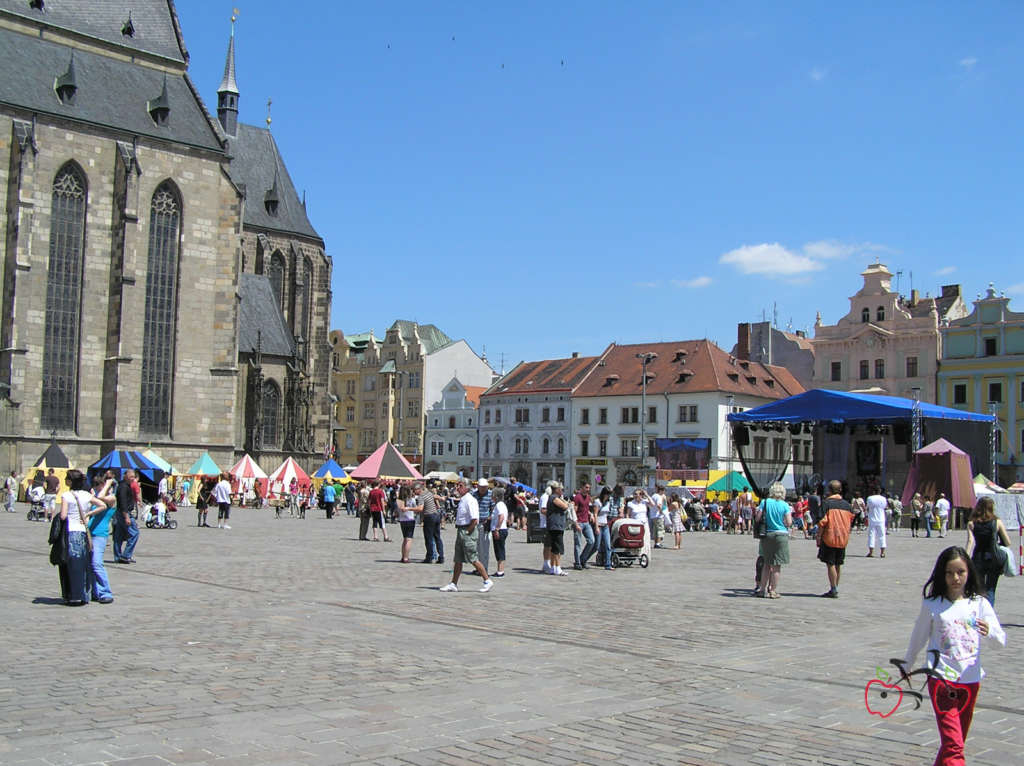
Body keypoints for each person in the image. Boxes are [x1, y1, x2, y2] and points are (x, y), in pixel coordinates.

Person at [902, 546, 1005, 766]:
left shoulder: (979, 604)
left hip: (970, 680)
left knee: (955, 743)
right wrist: (907, 663)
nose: (955, 578)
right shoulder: (933, 605)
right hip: (941, 680)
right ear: (942, 574)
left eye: (960, 572)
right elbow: (918, 636)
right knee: (954, 746)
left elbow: (1000, 641)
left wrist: (990, 632)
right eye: (949, 573)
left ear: (969, 572)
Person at [58, 469, 113, 605]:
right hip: (83, 533)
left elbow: (63, 516)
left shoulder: (66, 495)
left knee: (72, 565)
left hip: (71, 532)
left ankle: (75, 595)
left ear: (70, 481)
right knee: (83, 564)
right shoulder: (86, 495)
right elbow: (102, 505)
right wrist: (88, 514)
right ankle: (85, 594)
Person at [440, 479, 494, 592]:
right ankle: (453, 583)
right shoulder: (463, 499)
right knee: (458, 559)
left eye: (460, 485)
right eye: (457, 485)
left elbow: (475, 519)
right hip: (461, 529)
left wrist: (468, 532)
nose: (457, 487)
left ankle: (487, 580)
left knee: (472, 557)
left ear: (467, 488)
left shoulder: (470, 500)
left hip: (467, 529)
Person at [966, 496, 1013, 605]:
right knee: (991, 588)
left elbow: (970, 541)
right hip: (994, 558)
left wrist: (966, 558)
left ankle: (980, 612)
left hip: (978, 558)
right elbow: (1008, 542)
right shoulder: (997, 522)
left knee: (979, 589)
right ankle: (988, 614)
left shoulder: (971, 523)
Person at [754, 481, 792, 599]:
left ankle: (761, 590)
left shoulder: (765, 502)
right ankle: (773, 590)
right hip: (781, 535)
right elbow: (789, 522)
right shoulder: (785, 505)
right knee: (777, 565)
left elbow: (757, 518)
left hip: (767, 534)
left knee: (766, 563)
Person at [816, 480, 853, 598]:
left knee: (830, 563)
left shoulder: (826, 503)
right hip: (843, 537)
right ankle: (835, 586)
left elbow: (822, 522)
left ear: (829, 490)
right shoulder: (847, 505)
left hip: (830, 536)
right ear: (840, 490)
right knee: (838, 563)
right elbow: (851, 520)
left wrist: (818, 537)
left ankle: (833, 589)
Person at [86, 472, 118, 603]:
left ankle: (106, 592)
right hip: (89, 533)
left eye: (99, 485)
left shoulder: (111, 498)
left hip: (100, 535)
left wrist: (108, 484)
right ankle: (95, 591)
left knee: (96, 563)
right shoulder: (97, 498)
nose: (97, 487)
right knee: (89, 564)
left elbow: (101, 495)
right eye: (95, 485)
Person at [112, 469, 140, 563]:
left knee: (118, 536)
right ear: (125, 476)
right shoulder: (123, 487)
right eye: (130, 477)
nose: (132, 479)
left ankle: (118, 556)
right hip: (124, 513)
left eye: (133, 477)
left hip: (121, 513)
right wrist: (126, 517)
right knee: (135, 533)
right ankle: (126, 555)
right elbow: (123, 503)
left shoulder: (125, 485)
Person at [544, 481, 571, 576]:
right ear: (557, 489)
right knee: (557, 548)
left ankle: (553, 567)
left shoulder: (554, 498)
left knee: (555, 547)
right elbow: (565, 506)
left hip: (555, 525)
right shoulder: (554, 498)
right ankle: (557, 568)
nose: (563, 491)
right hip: (556, 526)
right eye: (561, 489)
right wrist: (565, 502)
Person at [416, 482, 444, 564]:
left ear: (419, 489)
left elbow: (420, 508)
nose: (414, 492)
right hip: (436, 515)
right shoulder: (428, 493)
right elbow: (435, 496)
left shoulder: (421, 496)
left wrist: (408, 509)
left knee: (428, 538)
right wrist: (441, 498)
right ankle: (441, 557)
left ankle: (429, 557)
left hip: (429, 517)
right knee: (437, 537)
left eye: (415, 490)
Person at [572, 482, 595, 569]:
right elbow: (574, 511)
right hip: (579, 522)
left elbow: (586, 509)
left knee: (592, 541)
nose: (588, 489)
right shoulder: (577, 497)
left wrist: (591, 514)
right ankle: (578, 563)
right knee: (578, 544)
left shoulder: (588, 497)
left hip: (586, 522)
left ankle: (583, 559)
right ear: (581, 488)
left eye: (589, 488)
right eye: (586, 487)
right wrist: (576, 523)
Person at [474, 479, 493, 574]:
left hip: (485, 524)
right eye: (481, 487)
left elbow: (493, 508)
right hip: (475, 523)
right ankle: (479, 568)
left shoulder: (490, 494)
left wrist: (489, 518)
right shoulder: (474, 495)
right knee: (477, 548)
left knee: (485, 547)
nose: (483, 489)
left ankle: (484, 568)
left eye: (484, 487)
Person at [490, 487, 509, 577]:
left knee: (500, 550)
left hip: (500, 530)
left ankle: (500, 571)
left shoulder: (499, 505)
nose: (491, 497)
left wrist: (497, 528)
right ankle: (500, 570)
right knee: (498, 549)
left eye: (492, 495)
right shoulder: (500, 504)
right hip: (501, 529)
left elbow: (501, 517)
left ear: (496, 496)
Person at [595, 488, 614, 569]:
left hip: (605, 525)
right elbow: (595, 514)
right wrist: (596, 527)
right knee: (596, 546)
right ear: (604, 493)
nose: (609, 496)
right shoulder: (597, 502)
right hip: (599, 525)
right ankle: (583, 559)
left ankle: (608, 564)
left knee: (608, 545)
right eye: (608, 494)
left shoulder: (608, 503)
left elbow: (607, 514)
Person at [865, 490, 888, 558]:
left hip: (872, 518)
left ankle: (871, 552)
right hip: (881, 518)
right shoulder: (883, 499)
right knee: (882, 535)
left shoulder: (870, 498)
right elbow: (885, 507)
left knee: (871, 535)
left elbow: (868, 508)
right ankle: (882, 553)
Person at [396, 484, 416, 563]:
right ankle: (406, 557)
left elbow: (397, 511)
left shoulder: (399, 500)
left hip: (402, 520)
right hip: (410, 519)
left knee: (405, 539)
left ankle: (403, 556)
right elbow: (415, 508)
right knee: (409, 539)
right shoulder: (412, 499)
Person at [538, 482, 552, 573]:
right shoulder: (545, 497)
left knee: (550, 545)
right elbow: (543, 510)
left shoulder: (548, 497)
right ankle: (546, 563)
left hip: (549, 524)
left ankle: (548, 563)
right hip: (545, 524)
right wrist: (553, 512)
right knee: (547, 545)